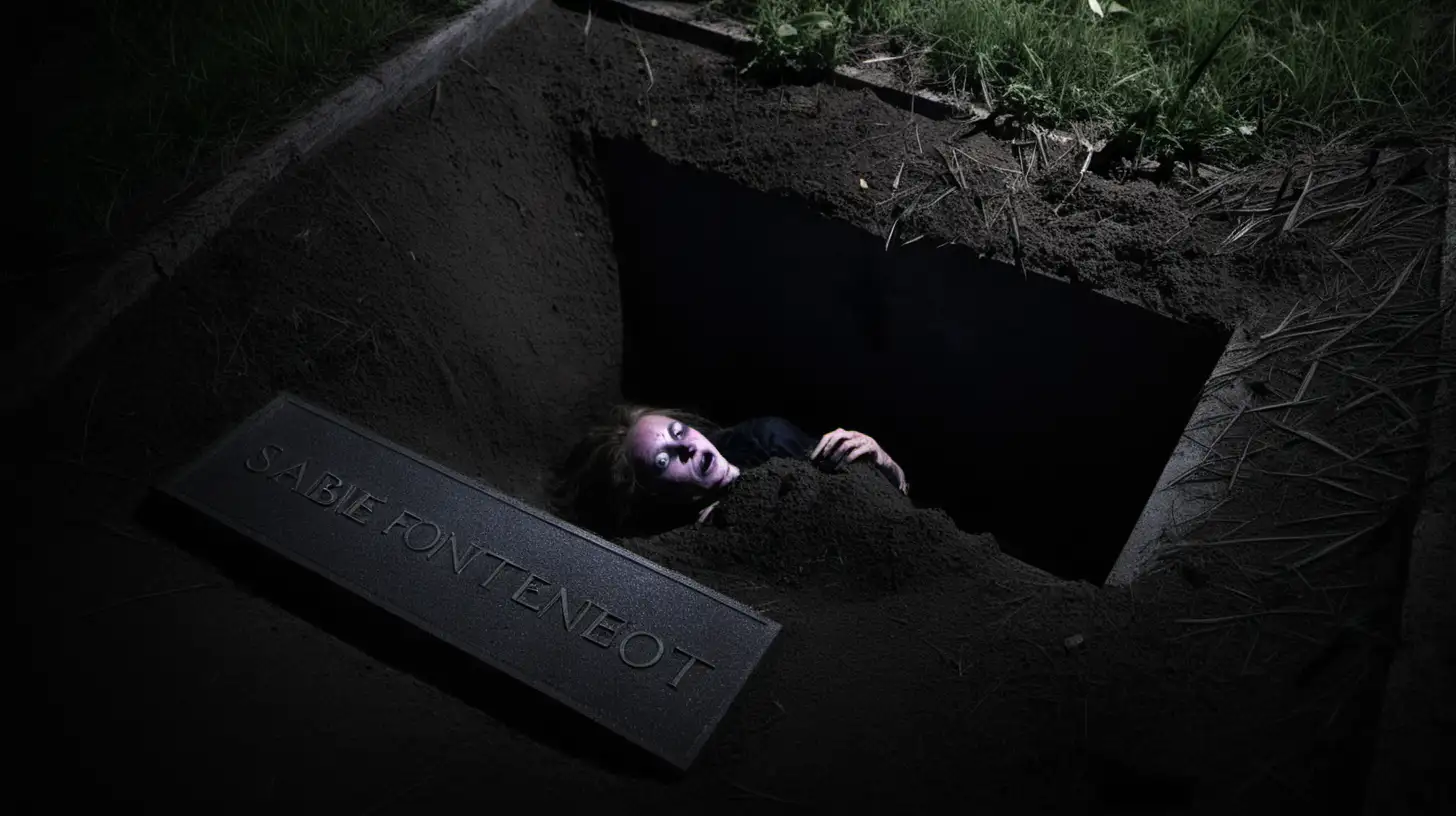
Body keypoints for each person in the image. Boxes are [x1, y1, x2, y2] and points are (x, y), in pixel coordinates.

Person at [551, 404, 908, 536]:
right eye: (664, 460)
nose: (687, 447)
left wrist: (888, 468)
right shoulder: (673, 540)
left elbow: (898, 518)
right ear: (648, 495)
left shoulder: (768, 440)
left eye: (680, 433)